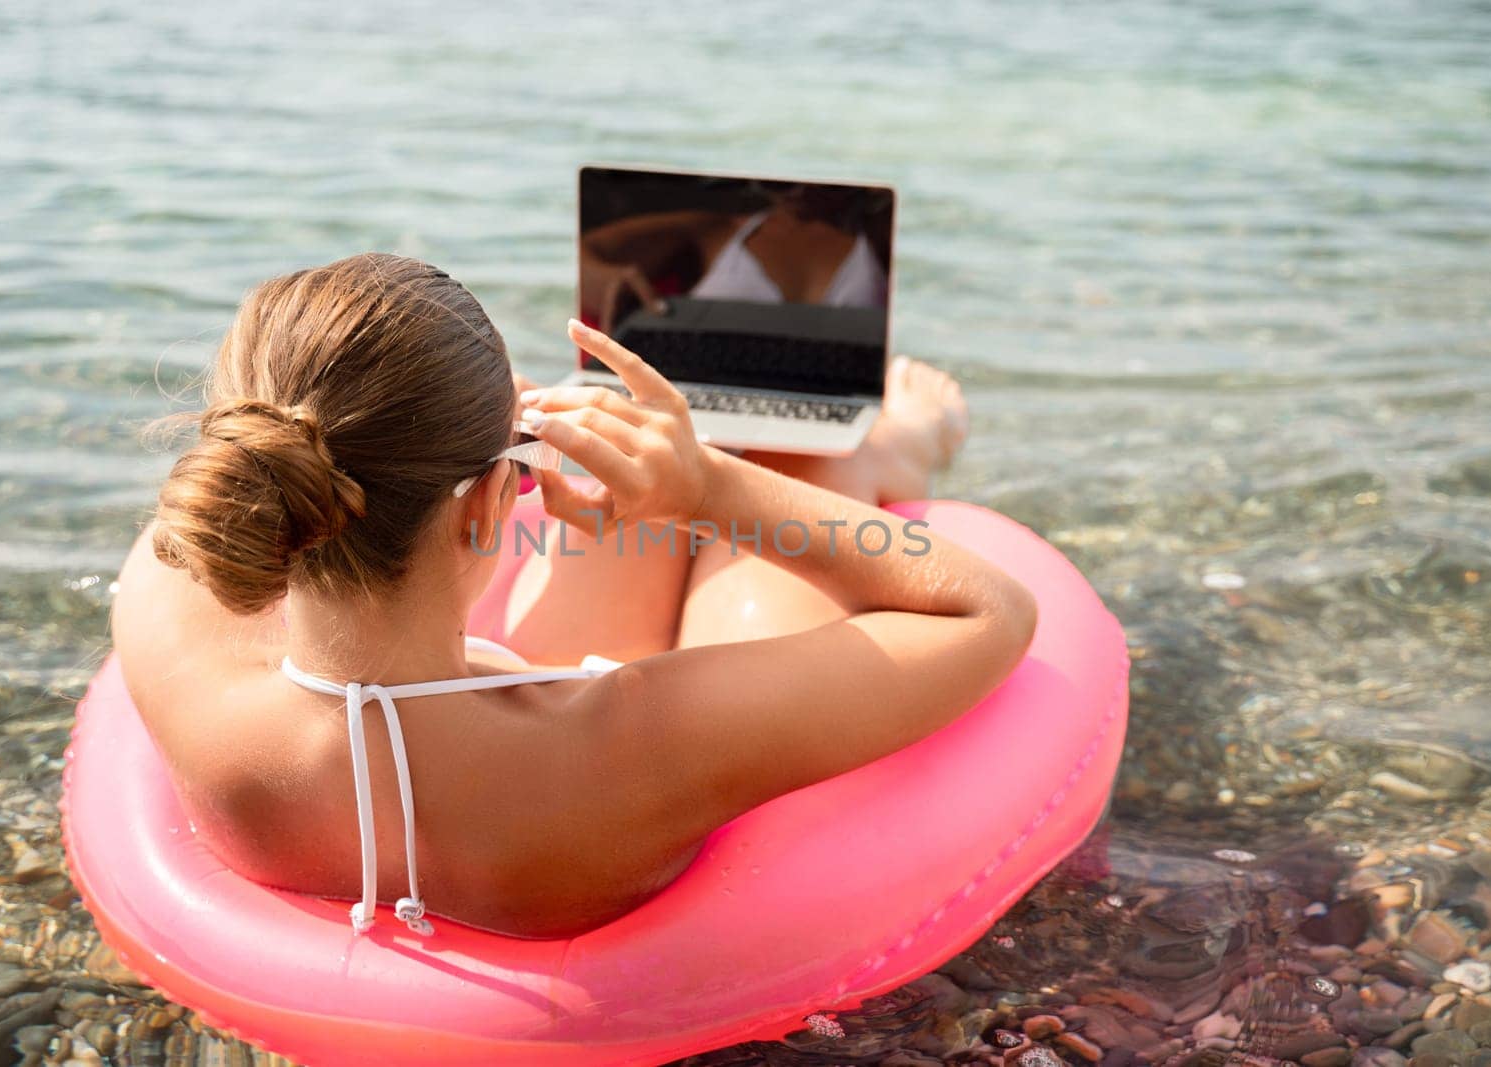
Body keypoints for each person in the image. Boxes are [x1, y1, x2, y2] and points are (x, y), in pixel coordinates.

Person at [113, 253, 1035, 939]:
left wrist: (450, 449)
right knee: (819, 456)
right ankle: (892, 444)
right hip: (564, 773)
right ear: (488, 507)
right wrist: (710, 486)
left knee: (632, 502)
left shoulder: (190, 679)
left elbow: (176, 542)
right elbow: (988, 609)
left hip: (475, 726)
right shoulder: (634, 739)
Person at [580, 184, 890, 334]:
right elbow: (580, 257)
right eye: (780, 184)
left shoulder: (882, 236)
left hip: (840, 411)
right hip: (706, 404)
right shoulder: (716, 231)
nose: (797, 191)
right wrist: (609, 282)